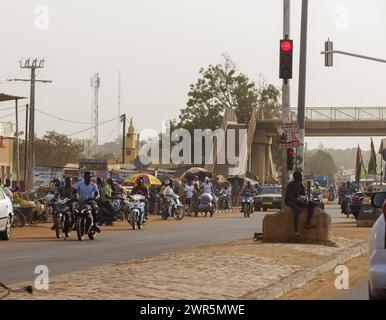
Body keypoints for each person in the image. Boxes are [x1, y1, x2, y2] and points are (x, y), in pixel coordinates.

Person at [285, 170, 317, 238]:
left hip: (299, 200)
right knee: (297, 209)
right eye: (300, 176)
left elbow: (304, 194)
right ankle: (296, 230)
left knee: (312, 204)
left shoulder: (301, 185)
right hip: (290, 201)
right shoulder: (291, 185)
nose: (302, 177)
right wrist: (298, 200)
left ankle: (308, 223)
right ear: (296, 177)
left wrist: (306, 199)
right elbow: (289, 197)